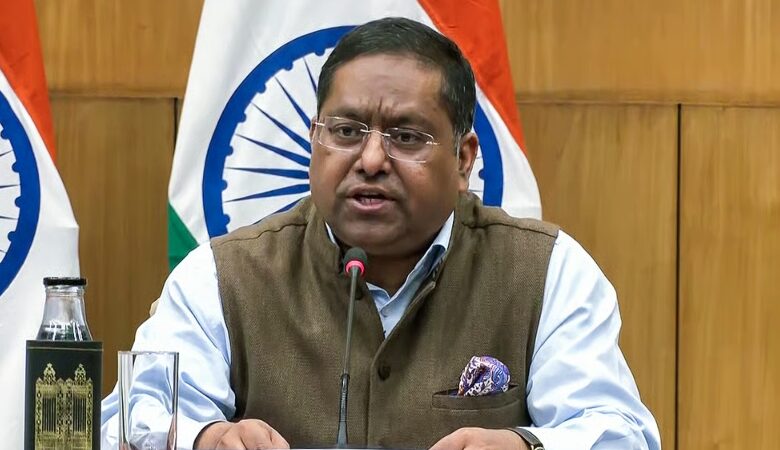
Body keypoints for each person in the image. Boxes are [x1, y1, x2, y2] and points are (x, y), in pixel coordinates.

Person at [101, 17, 661, 450]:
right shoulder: (223, 275)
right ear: (314, 141)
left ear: (464, 159)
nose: (370, 160)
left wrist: (527, 444)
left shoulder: (545, 272)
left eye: (406, 137)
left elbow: (619, 432)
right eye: (346, 131)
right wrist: (204, 437)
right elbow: (127, 420)